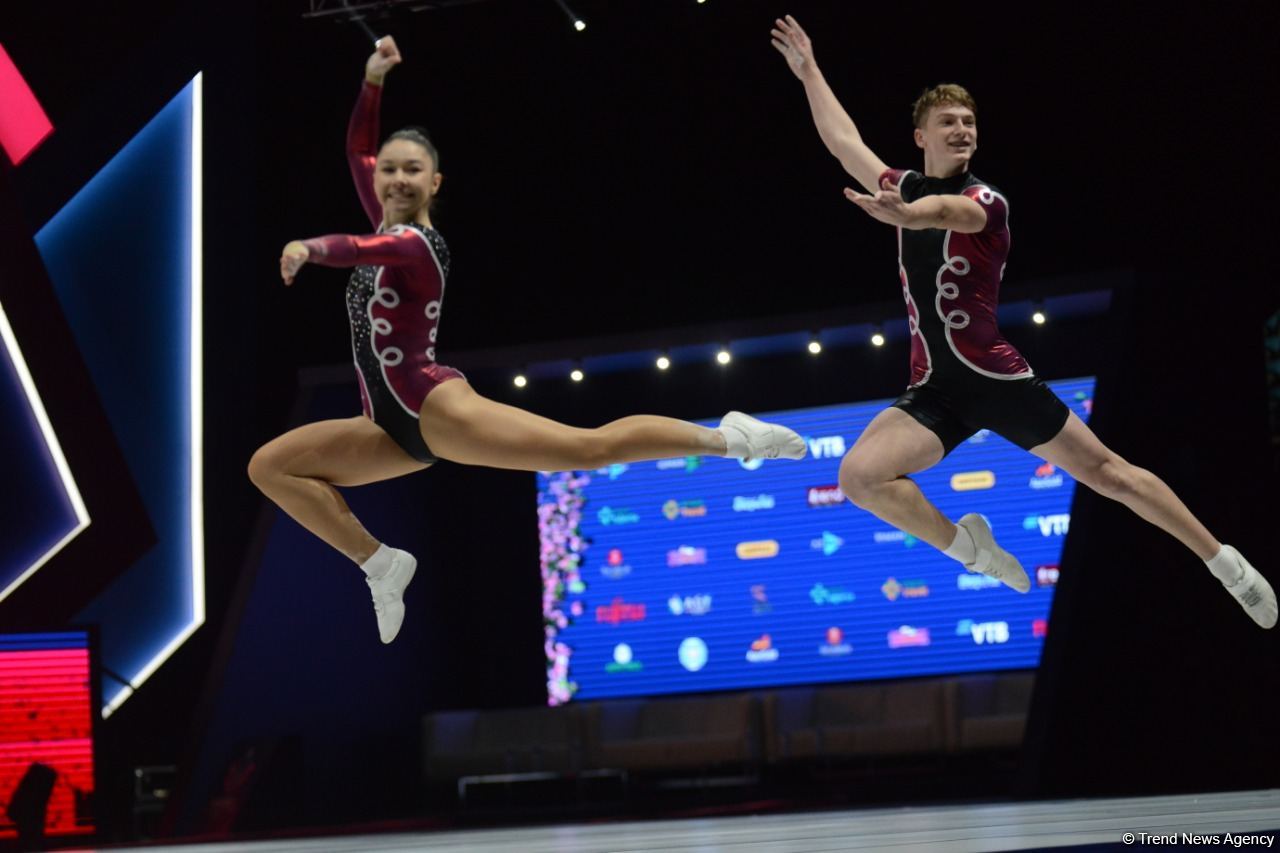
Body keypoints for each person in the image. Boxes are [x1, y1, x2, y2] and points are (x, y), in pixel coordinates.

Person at [249, 36, 807, 644]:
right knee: (271, 467)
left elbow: (359, 248)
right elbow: (357, 146)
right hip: (383, 424)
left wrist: (310, 248)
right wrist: (373, 79)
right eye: (389, 169)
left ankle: (730, 436)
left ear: (435, 183)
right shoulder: (385, 213)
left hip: (430, 406)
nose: (397, 178)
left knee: (587, 450)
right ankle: (380, 563)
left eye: (413, 170)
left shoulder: (417, 245)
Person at [769, 15, 1275, 628]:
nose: (962, 130)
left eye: (969, 123)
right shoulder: (901, 187)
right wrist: (810, 72)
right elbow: (842, 141)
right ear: (920, 135)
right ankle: (972, 550)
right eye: (948, 122)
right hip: (936, 390)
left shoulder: (985, 202)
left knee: (1110, 474)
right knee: (858, 477)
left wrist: (906, 213)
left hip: (995, 380)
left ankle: (1224, 562)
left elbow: (941, 209)